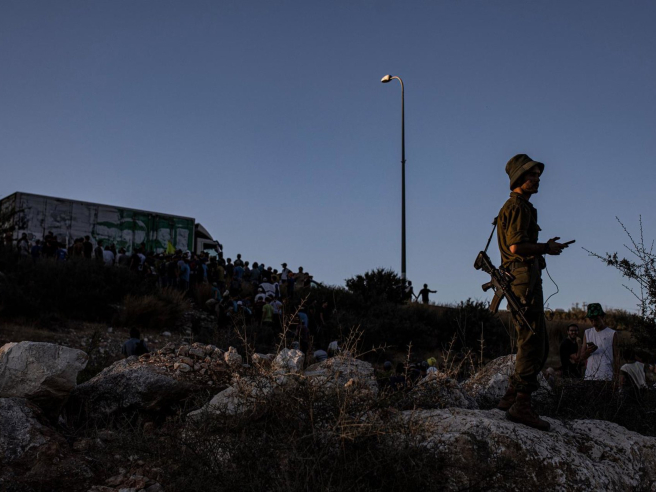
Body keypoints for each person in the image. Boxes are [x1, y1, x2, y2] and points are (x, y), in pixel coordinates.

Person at [495, 154, 570, 432]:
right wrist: (545, 248)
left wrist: (541, 250)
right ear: (519, 178)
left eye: (538, 175)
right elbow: (516, 247)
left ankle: (511, 396)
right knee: (533, 341)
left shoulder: (519, 206)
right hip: (523, 280)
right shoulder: (518, 207)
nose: (537, 179)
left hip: (521, 278)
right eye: (531, 175)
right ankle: (521, 405)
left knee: (533, 339)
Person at [579, 303, 619, 381]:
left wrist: (617, 377)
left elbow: (617, 357)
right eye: (591, 320)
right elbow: (581, 357)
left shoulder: (612, 333)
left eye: (596, 319)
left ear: (602, 317)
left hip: (606, 377)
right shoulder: (587, 333)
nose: (594, 323)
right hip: (589, 377)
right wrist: (588, 351)